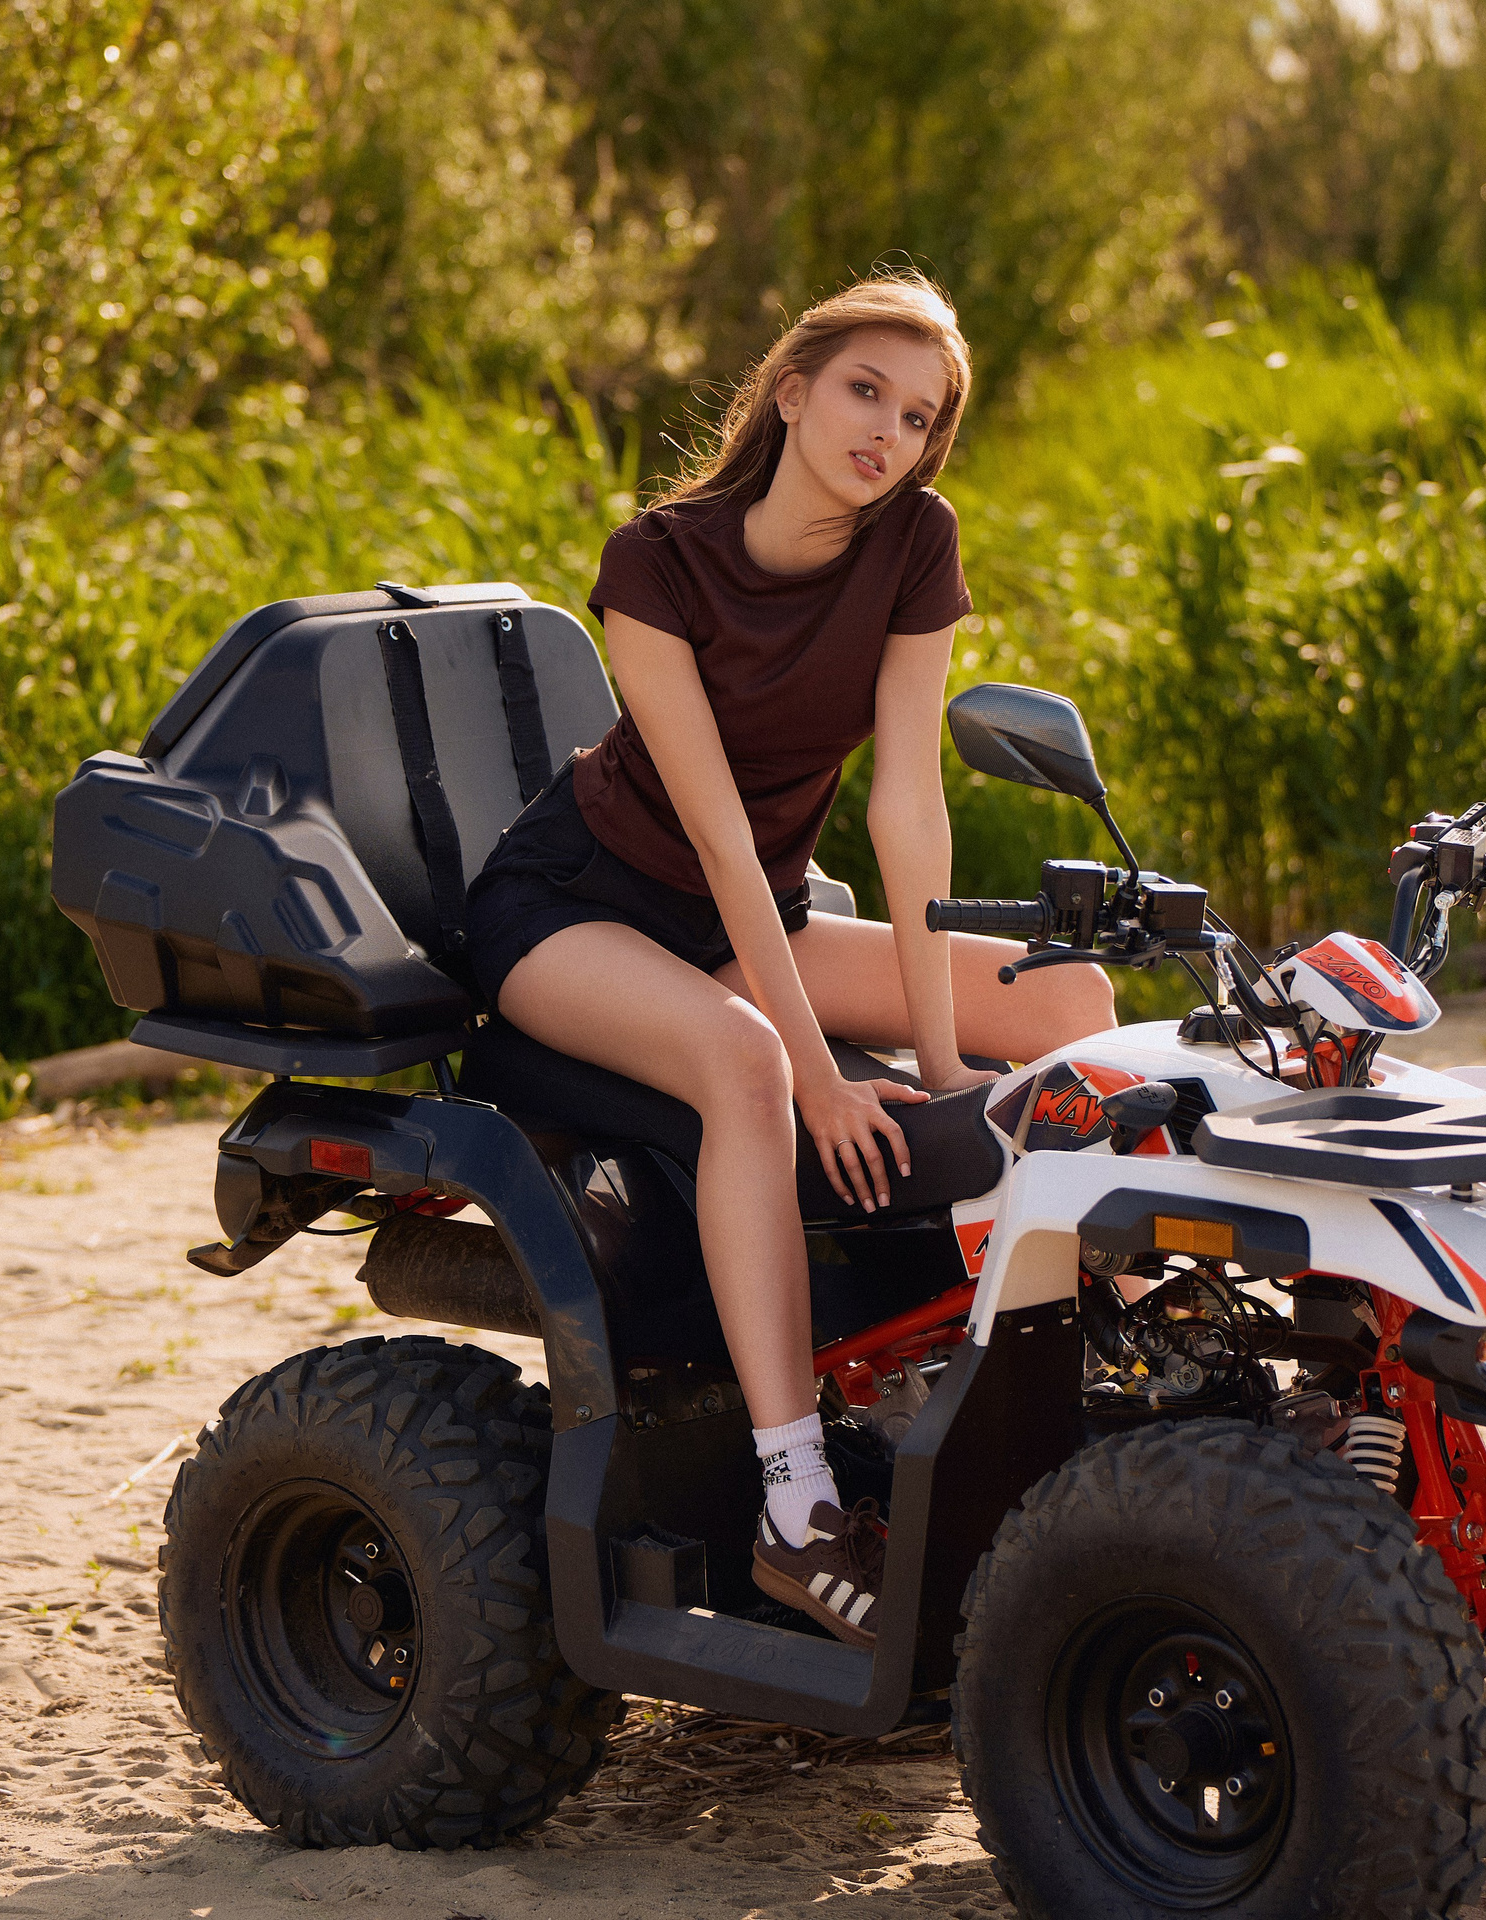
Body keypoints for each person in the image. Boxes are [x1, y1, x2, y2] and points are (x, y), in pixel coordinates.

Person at [461, 272, 1113, 1647]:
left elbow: (906, 808)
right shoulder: (657, 562)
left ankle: (1082, 1377)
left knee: (1069, 996)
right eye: (866, 392)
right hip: (575, 910)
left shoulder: (915, 541)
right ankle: (796, 1505)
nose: (889, 433)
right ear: (794, 391)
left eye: (920, 417)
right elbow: (713, 835)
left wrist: (943, 1063)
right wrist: (822, 1079)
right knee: (749, 1066)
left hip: (748, 915)